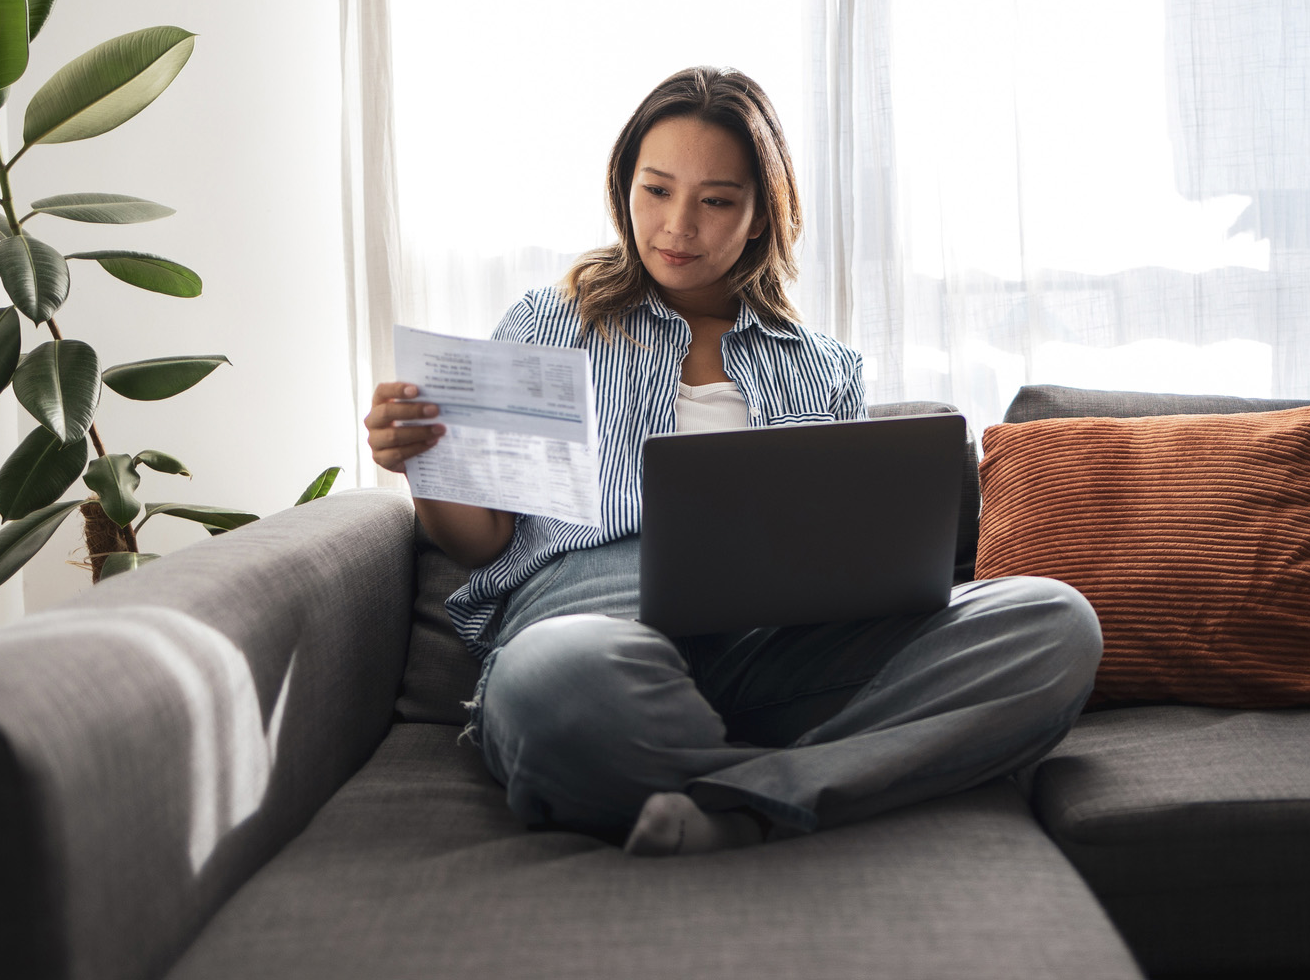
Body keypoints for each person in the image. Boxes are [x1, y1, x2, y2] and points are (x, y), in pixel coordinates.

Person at [363, 66, 1101, 856]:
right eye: (656, 191)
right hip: (595, 633)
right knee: (554, 681)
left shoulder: (823, 366)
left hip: (780, 650)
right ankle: (814, 780)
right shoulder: (552, 321)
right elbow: (481, 539)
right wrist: (424, 465)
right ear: (624, 190)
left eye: (716, 201)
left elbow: (849, 554)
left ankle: (745, 804)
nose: (678, 225)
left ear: (758, 216)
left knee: (1056, 623)